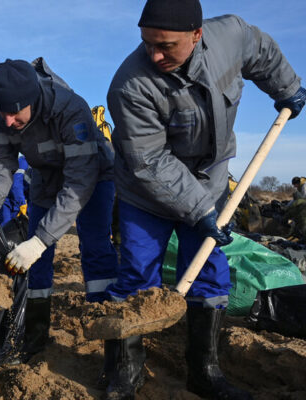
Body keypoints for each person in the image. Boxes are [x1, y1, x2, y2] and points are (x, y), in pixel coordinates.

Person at [105, 0, 305, 399]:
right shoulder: (130, 86)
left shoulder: (230, 35)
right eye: (147, 44)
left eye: (166, 45)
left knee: (210, 273)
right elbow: (150, 162)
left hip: (210, 181)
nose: (155, 54)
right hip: (146, 192)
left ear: (197, 35)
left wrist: (286, 87)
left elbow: (260, 50)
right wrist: (200, 211)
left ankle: (205, 371)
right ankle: (125, 373)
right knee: (136, 275)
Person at [0, 58, 118, 361]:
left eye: (14, 113)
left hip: (92, 176)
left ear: (34, 100)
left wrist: (41, 239)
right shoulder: (1, 113)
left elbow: (80, 180)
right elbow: (0, 160)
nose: (8, 121)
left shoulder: (70, 108)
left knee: (95, 249)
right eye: (3, 113)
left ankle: (110, 344)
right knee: (35, 261)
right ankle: (34, 337)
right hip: (44, 178)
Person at [0, 155, 29, 227]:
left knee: (15, 228)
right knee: (6, 226)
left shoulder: (36, 165)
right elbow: (16, 185)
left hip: (16, 202)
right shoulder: (23, 162)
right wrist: (22, 203)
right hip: (5, 199)